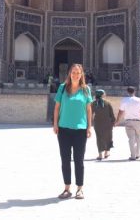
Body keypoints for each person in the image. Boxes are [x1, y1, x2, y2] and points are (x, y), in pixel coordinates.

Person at [53, 63, 93, 200]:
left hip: (80, 130)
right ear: (69, 73)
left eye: (78, 72)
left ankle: (80, 189)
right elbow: (57, 107)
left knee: (79, 160)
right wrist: (55, 124)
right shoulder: (63, 88)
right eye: (73, 72)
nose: (75, 74)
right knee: (65, 160)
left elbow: (88, 109)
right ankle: (67, 188)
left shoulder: (86, 89)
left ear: (81, 74)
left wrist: (89, 127)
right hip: (63, 128)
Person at [114, 86, 140, 161]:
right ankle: (138, 154)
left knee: (131, 138)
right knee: (137, 137)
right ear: (134, 92)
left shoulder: (124, 100)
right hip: (138, 121)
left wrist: (117, 121)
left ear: (127, 92)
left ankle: (133, 155)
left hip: (128, 121)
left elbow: (120, 112)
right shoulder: (138, 100)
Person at [92, 89, 115, 160]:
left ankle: (100, 154)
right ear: (102, 95)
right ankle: (106, 152)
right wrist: (113, 122)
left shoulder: (93, 103)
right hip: (107, 123)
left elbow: (90, 113)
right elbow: (112, 114)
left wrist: (90, 122)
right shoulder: (108, 103)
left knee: (99, 138)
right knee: (108, 137)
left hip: (98, 123)